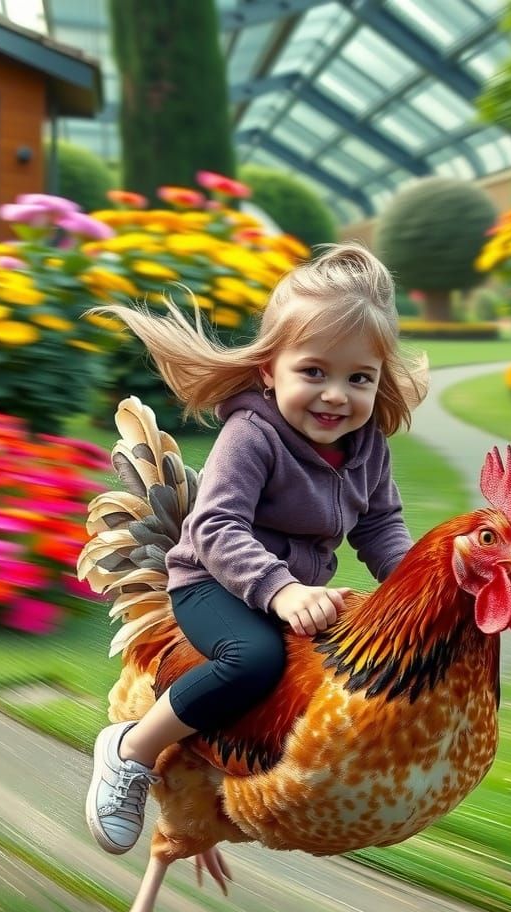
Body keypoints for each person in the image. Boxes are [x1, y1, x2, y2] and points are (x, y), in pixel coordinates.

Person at [85, 242, 430, 854]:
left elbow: (379, 526)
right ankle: (131, 748)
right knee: (252, 661)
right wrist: (282, 590)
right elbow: (217, 528)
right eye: (314, 372)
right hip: (214, 584)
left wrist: (422, 590)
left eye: (359, 379)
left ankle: (221, 782)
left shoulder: (367, 444)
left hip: (287, 594)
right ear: (270, 369)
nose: (335, 395)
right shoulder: (252, 435)